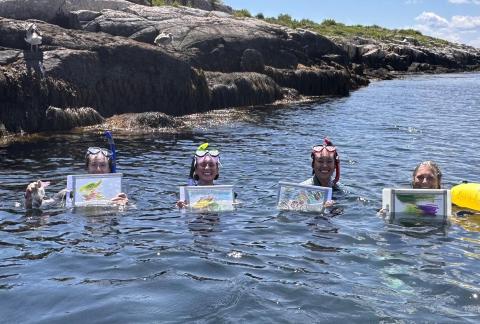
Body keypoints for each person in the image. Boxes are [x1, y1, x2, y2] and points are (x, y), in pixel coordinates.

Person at [25, 146, 128, 209]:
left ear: (110, 169)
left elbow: (133, 213)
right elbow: (41, 206)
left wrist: (124, 206)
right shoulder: (68, 193)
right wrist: (33, 198)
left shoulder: (117, 194)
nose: (98, 169)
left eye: (102, 165)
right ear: (87, 168)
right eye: (93, 165)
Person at [177, 143, 221, 208]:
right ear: (196, 170)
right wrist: (180, 207)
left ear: (217, 170)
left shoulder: (227, 193)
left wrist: (236, 204)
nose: (207, 168)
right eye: (203, 165)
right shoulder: (184, 195)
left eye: (211, 165)